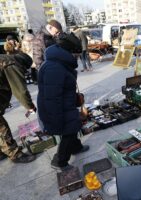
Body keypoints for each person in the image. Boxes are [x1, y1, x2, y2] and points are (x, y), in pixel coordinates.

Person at [37, 32, 89, 170]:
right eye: (77, 54)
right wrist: (56, 120)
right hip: (56, 109)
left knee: (74, 125)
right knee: (69, 129)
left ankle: (76, 147)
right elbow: (52, 98)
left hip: (64, 104)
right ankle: (59, 161)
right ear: (69, 52)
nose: (78, 57)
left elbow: (63, 89)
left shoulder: (59, 62)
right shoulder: (54, 67)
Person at [0, 51, 37, 163]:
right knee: (2, 128)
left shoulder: (5, 58)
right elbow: (20, 91)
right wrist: (30, 106)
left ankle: (2, 150)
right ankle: (15, 154)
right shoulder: (11, 64)